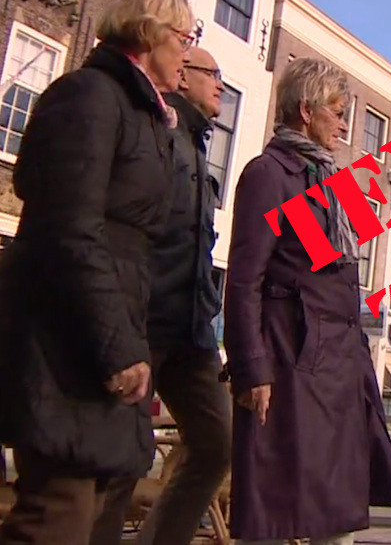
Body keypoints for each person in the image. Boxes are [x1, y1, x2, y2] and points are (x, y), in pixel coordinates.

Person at [0, 0, 196, 543]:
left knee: (80, 504)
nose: (187, 51)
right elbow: (71, 228)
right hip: (66, 336)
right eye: (184, 37)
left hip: (97, 325)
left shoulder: (141, 114)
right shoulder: (89, 96)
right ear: (149, 34)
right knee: (57, 509)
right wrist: (118, 346)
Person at [223, 57, 391, 543]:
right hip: (291, 359)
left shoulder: (326, 179)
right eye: (337, 111)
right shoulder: (268, 174)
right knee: (274, 509)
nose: (345, 124)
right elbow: (244, 280)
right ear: (306, 110)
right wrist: (251, 367)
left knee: (337, 510)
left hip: (338, 363)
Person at [89, 47, 231, 545]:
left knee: (217, 443)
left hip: (190, 331)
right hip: (144, 322)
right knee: (123, 458)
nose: (220, 84)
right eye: (212, 73)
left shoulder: (196, 144)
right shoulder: (157, 132)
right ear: (183, 76)